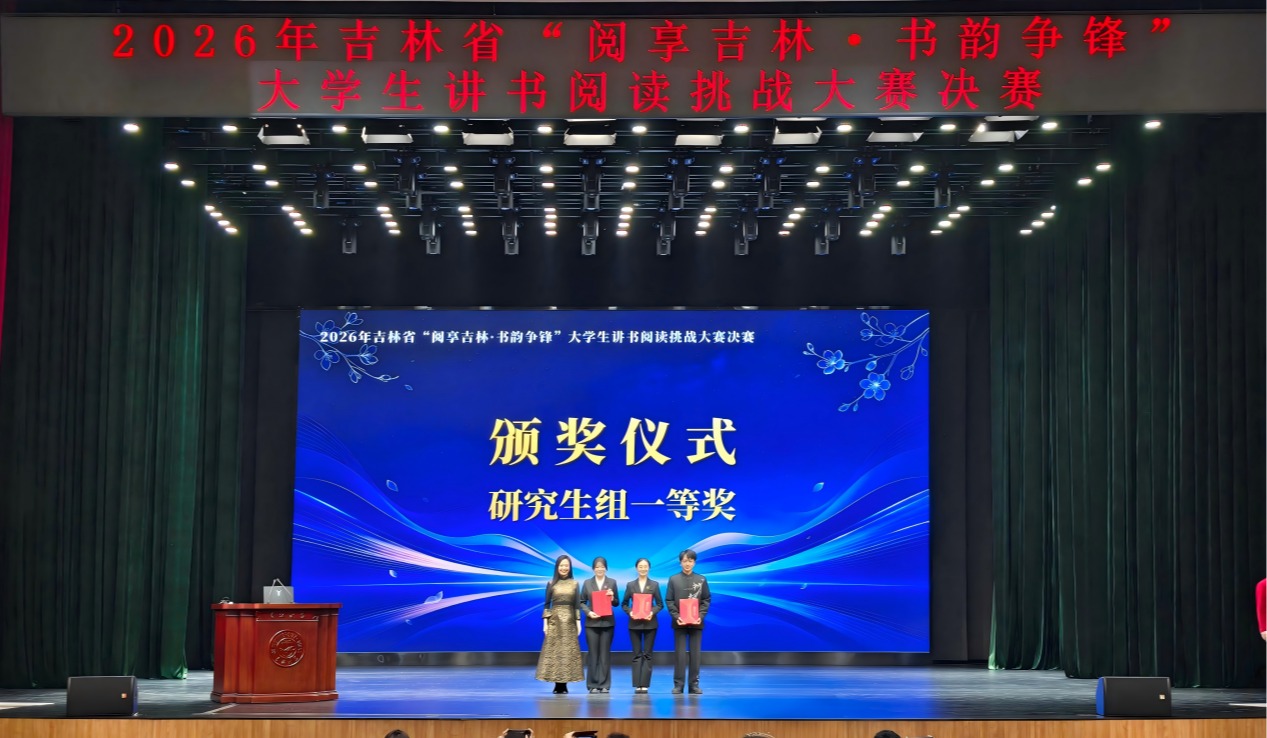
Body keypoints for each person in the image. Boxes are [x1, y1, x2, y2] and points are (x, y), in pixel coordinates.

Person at [535, 555, 583, 694]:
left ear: (570, 567)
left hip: (569, 621)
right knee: (555, 652)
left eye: (566, 565)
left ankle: (564, 684)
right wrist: (545, 623)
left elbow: (577, 605)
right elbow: (547, 604)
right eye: (561, 565)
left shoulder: (575, 583)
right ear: (557, 567)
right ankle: (557, 684)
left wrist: (578, 623)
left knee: (567, 652)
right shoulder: (551, 583)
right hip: (554, 621)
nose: (564, 568)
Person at [665, 548, 710, 695]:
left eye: (690, 561)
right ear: (680, 563)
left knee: (695, 655)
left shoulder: (701, 579)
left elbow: (706, 600)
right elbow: (669, 600)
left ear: (694, 562)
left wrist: (700, 616)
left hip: (696, 622)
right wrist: (676, 616)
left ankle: (694, 685)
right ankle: (678, 685)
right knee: (679, 655)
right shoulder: (673, 579)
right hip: (679, 622)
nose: (687, 564)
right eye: (685, 561)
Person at [620, 557, 663, 694]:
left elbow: (660, 604)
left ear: (649, 568)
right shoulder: (630, 585)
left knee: (648, 654)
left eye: (645, 566)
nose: (643, 569)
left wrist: (652, 612)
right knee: (637, 654)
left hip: (650, 623)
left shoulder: (654, 585)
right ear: (636, 568)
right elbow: (624, 604)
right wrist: (630, 612)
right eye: (640, 566)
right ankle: (637, 684)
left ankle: (645, 684)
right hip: (634, 624)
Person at [580, 556, 619, 693]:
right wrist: (588, 612)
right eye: (597, 567)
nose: (600, 569)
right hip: (592, 623)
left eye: (602, 567)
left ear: (606, 568)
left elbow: (616, 603)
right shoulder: (587, 583)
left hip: (607, 623)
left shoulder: (612, 582)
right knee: (593, 654)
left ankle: (604, 684)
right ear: (593, 569)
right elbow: (581, 602)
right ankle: (592, 684)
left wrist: (612, 597)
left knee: (605, 654)